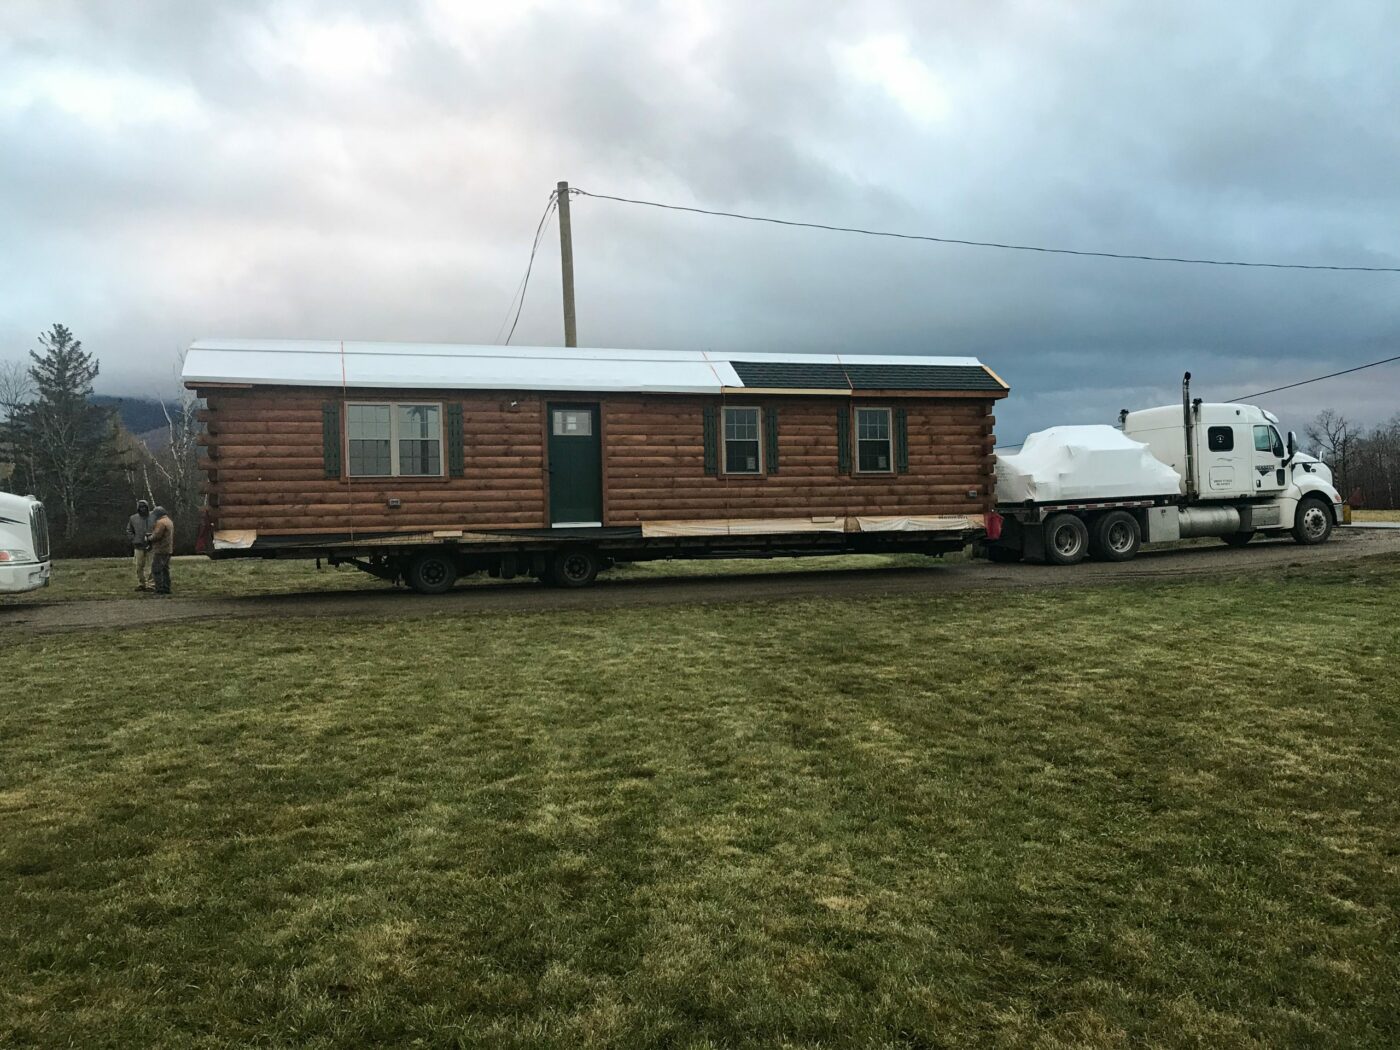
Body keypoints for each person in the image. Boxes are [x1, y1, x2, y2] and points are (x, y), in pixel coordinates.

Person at [126, 499, 154, 591]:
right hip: (138, 546)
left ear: (147, 507)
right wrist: (134, 539)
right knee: (139, 566)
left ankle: (151, 585)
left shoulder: (153, 517)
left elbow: (158, 529)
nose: (142, 509)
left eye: (144, 507)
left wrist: (154, 537)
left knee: (151, 566)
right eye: (141, 507)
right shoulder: (133, 518)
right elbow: (129, 530)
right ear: (138, 508)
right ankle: (141, 584)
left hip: (152, 545)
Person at [146, 506, 175, 595]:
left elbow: (156, 536)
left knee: (156, 570)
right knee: (165, 570)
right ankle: (167, 588)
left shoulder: (161, 522)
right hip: (168, 549)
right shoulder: (169, 521)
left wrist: (148, 538)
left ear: (158, 514)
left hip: (160, 550)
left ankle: (159, 589)